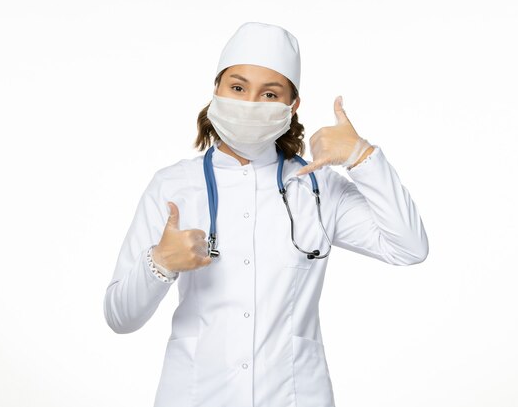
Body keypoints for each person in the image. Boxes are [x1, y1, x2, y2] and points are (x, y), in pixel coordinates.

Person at [103, 21, 429, 407]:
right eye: (237, 88)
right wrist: (159, 264)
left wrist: (363, 157)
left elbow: (409, 248)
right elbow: (120, 317)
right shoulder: (173, 186)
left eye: (270, 93)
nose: (250, 103)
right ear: (217, 91)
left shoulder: (318, 187)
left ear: (292, 107)